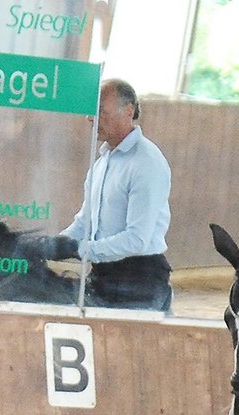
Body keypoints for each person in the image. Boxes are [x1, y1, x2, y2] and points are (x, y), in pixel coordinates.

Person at [35, 78, 173, 312]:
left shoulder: (147, 162)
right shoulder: (101, 164)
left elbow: (137, 240)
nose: (91, 118)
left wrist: (78, 249)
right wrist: (51, 245)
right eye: (91, 111)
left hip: (139, 284)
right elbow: (85, 222)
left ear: (128, 111)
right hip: (103, 276)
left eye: (100, 111)